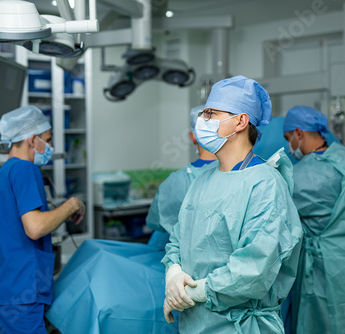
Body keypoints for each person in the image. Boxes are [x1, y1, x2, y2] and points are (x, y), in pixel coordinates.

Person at [45, 105, 217, 334]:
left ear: (191, 136)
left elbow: (156, 222)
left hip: (178, 273)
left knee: (95, 257)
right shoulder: (241, 178)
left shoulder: (177, 182)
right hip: (215, 279)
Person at [161, 75, 303, 333]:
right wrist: (174, 272)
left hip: (241, 326)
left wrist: (194, 292)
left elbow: (253, 269)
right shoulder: (202, 181)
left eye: (210, 113)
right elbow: (178, 241)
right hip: (194, 323)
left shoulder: (265, 185)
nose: (202, 121)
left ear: (240, 121)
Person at [0, 105, 85, 334]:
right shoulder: (25, 169)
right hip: (19, 297)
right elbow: (35, 228)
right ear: (32, 139)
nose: (50, 146)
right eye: (48, 139)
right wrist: (72, 205)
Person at [283, 105, 345, 334]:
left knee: (318, 321)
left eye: (288, 138)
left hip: (322, 266)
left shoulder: (301, 176)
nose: (289, 146)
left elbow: (279, 212)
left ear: (299, 133)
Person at [146, 105, 217, 240]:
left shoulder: (173, 182)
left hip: (178, 255)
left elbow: (155, 222)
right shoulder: (240, 173)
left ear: (192, 137)